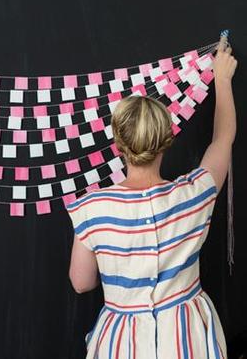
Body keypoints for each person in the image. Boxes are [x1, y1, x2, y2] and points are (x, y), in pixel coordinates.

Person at [66, 33, 237, 358]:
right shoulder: (194, 194)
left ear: (119, 144)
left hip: (121, 343)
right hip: (188, 339)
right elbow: (222, 140)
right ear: (166, 141)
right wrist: (223, 79)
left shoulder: (92, 209)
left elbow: (81, 282)